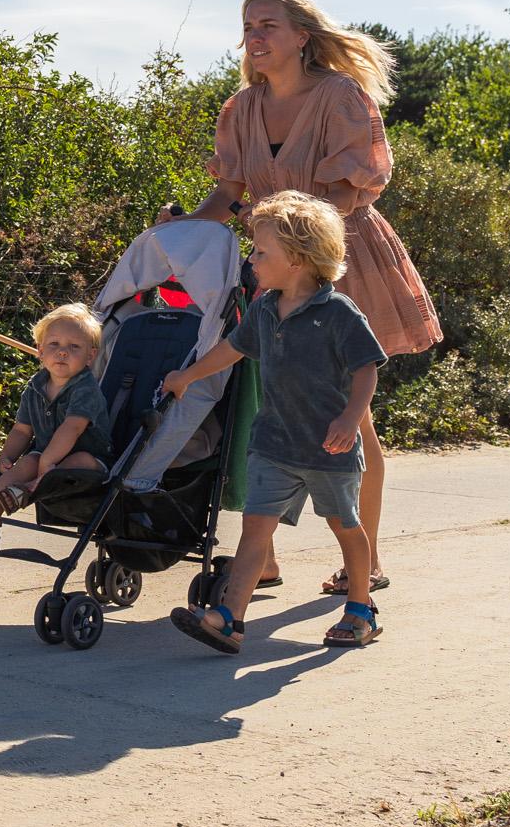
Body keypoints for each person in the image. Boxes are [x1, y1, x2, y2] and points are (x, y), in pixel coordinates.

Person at [163, 0, 440, 595]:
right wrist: (183, 228)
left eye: (267, 26)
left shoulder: (341, 96)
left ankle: (362, 562)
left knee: (349, 411)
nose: (254, 37)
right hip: (274, 267)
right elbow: (228, 193)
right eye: (248, 26)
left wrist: (300, 235)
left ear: (301, 37)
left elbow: (351, 188)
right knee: (266, 405)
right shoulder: (241, 108)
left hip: (340, 258)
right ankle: (261, 558)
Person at [161, 192, 388, 653]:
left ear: (300, 260)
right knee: (254, 528)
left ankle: (360, 608)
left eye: (262, 252)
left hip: (328, 448)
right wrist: (187, 375)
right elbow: (232, 348)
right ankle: (229, 617)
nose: (252, 259)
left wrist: (349, 417)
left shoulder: (339, 313)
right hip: (274, 444)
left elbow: (367, 368)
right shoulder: (265, 308)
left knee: (346, 526)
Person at [0, 303, 112, 552]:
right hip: (45, 455)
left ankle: (30, 489)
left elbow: (73, 427)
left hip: (90, 461)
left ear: (90, 356)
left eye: (74, 347)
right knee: (21, 466)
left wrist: (48, 462)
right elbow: (22, 430)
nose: (63, 352)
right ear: (40, 350)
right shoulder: (35, 387)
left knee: (82, 458)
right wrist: (8, 455)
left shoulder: (86, 388)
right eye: (54, 345)